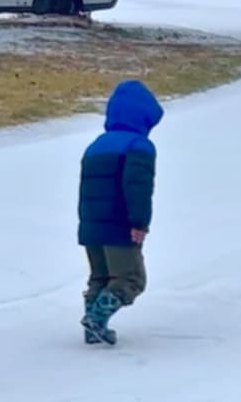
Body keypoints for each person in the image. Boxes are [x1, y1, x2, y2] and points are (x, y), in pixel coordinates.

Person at [77, 79, 164, 345]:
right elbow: (136, 187)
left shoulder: (96, 145)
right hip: (119, 223)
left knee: (100, 276)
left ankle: (92, 328)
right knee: (131, 278)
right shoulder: (139, 146)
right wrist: (138, 222)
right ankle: (96, 320)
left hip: (91, 225)